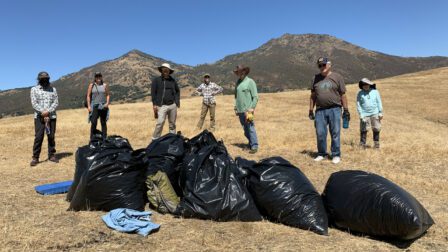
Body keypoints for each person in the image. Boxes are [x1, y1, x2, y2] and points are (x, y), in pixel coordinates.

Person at [309, 57, 350, 164]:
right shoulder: (315, 78)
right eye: (320, 65)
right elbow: (313, 96)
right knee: (320, 133)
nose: (322, 67)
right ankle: (321, 153)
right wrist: (310, 110)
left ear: (329, 65)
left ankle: (336, 154)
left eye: (324, 65)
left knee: (335, 132)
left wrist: (346, 110)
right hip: (320, 110)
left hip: (335, 109)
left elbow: (343, 94)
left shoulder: (337, 77)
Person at [30, 71, 59, 166]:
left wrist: (48, 112)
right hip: (39, 117)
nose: (44, 80)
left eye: (46, 78)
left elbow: (56, 102)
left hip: (52, 116)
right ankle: (35, 157)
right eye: (42, 79)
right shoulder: (34, 89)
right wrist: (42, 112)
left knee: (51, 136)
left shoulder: (53, 89)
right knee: (39, 137)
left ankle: (51, 155)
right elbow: (34, 103)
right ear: (39, 79)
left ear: (48, 79)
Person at [234, 65, 259, 154]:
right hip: (240, 111)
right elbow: (236, 96)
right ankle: (250, 142)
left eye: (239, 72)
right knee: (245, 129)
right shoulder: (238, 82)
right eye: (237, 72)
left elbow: (255, 97)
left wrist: (251, 108)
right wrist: (235, 107)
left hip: (248, 110)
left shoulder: (250, 82)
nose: (238, 74)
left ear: (243, 72)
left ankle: (254, 146)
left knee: (250, 127)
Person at [151, 63, 180, 140]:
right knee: (160, 123)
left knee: (172, 124)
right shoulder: (156, 80)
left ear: (169, 71)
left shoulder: (172, 81)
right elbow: (153, 93)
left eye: (167, 69)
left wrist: (177, 102)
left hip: (172, 105)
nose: (165, 71)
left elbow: (177, 91)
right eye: (164, 69)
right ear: (161, 70)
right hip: (161, 106)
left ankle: (172, 139)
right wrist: (154, 104)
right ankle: (155, 140)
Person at [356, 78, 383, 148]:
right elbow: (358, 104)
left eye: (367, 84)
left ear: (370, 84)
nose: (366, 86)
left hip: (375, 113)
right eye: (364, 84)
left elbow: (379, 102)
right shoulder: (360, 93)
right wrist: (361, 115)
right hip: (364, 114)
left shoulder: (375, 92)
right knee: (363, 129)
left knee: (376, 128)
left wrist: (380, 112)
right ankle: (362, 144)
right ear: (361, 85)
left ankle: (376, 144)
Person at [87, 72, 110, 141]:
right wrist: (88, 106)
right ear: (95, 78)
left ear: (101, 77)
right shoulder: (91, 85)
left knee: (103, 122)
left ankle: (104, 138)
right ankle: (92, 138)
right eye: (97, 76)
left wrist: (107, 103)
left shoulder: (104, 85)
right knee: (93, 122)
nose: (98, 78)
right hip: (95, 106)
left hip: (103, 106)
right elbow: (88, 96)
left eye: (99, 76)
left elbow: (108, 95)